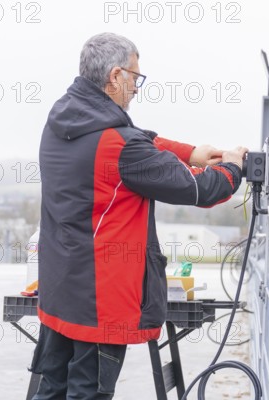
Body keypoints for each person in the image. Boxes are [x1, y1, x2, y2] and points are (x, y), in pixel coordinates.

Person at [31, 32, 248, 399]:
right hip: (99, 302)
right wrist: (233, 166)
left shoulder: (60, 124)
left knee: (51, 389)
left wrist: (192, 151)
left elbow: (136, 138)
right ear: (115, 76)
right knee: (88, 393)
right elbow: (200, 190)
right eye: (135, 77)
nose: (136, 88)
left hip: (59, 290)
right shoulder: (121, 148)